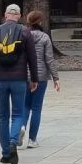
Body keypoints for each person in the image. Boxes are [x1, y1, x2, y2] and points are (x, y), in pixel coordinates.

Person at [0, 3, 39, 164]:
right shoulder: (25, 32)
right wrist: (34, 78)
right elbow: (32, 58)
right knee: (17, 114)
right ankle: (14, 141)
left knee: (3, 116)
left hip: (0, 79)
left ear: (5, 15)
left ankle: (6, 152)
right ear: (19, 16)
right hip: (19, 79)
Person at [22, 10, 61, 148]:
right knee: (36, 108)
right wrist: (55, 77)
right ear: (39, 21)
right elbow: (49, 59)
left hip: (24, 75)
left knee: (25, 106)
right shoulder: (44, 37)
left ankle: (21, 128)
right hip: (41, 76)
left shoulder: (22, 35)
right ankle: (32, 139)